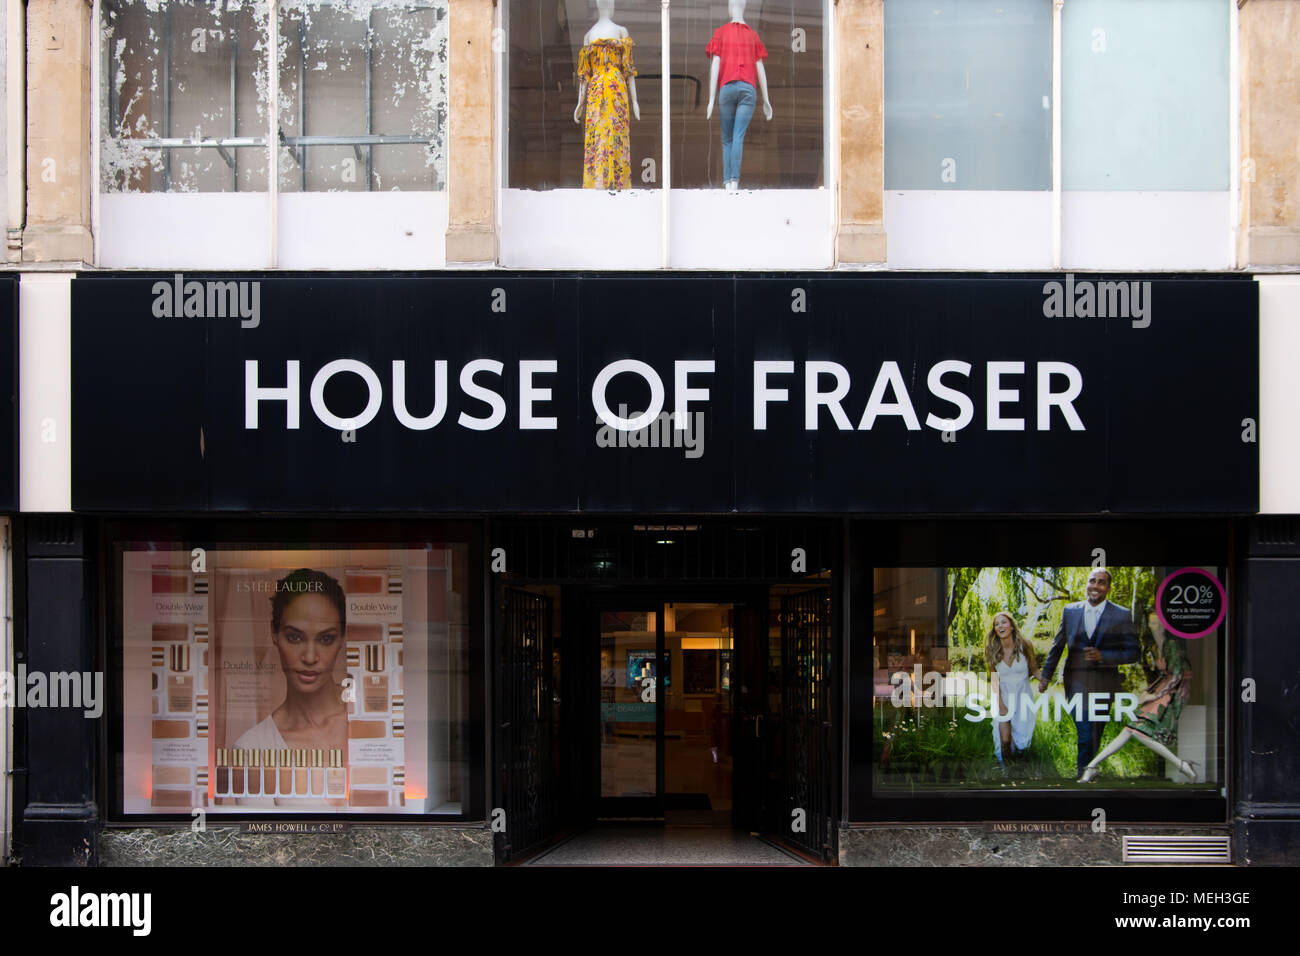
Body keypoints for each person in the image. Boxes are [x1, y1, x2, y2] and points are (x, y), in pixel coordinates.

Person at [233, 568, 349, 759]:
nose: (310, 657)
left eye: (326, 639)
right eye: (294, 637)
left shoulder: (373, 716)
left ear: (342, 638)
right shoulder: (251, 749)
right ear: (274, 633)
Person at [1037, 567, 1140, 779]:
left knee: (1096, 732)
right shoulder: (1070, 611)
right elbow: (1058, 646)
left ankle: (1090, 770)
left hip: (1104, 682)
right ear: (1087, 584)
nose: (1095, 586)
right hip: (1076, 681)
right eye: (1092, 581)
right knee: (1085, 730)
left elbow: (1133, 652)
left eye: (1101, 582)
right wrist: (1045, 676)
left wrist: (1103, 656)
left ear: (1108, 589)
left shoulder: (1121, 614)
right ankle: (1083, 775)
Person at [1079, 618, 1197, 783]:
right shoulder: (1155, 647)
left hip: (1173, 693)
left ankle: (1182, 765)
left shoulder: (1171, 645)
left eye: (1158, 622)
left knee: (1139, 732)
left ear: (1165, 624)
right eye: (1151, 622)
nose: (1154, 626)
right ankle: (1091, 766)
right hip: (1162, 691)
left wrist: (1154, 695)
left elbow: (1177, 674)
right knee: (1130, 730)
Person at [704, 0, 773, 191]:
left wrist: (710, 99)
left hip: (727, 88)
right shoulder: (753, 35)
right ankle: (735, 181)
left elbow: (715, 67)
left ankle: (728, 183)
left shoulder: (721, 33)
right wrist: (766, 99)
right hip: (748, 90)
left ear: (730, 6)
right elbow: (760, 69)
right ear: (744, 6)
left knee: (727, 138)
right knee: (738, 136)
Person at [574, 0, 640, 190]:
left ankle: (603, 183)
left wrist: (580, 101)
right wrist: (634, 100)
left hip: (599, 88)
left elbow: (584, 76)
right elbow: (628, 70)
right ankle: (606, 183)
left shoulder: (592, 35)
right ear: (610, 5)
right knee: (607, 132)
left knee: (602, 132)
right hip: (613, 87)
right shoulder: (618, 32)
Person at [986, 612, 1040, 764]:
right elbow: (994, 681)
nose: (1000, 626)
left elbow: (1035, 670)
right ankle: (1007, 773)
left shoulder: (1025, 645)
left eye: (1004, 622)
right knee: (1004, 740)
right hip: (1002, 697)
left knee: (1021, 740)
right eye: (997, 624)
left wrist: (1044, 680)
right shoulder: (992, 650)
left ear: (1011, 626)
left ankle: (1020, 769)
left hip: (1022, 697)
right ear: (995, 629)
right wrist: (1000, 704)